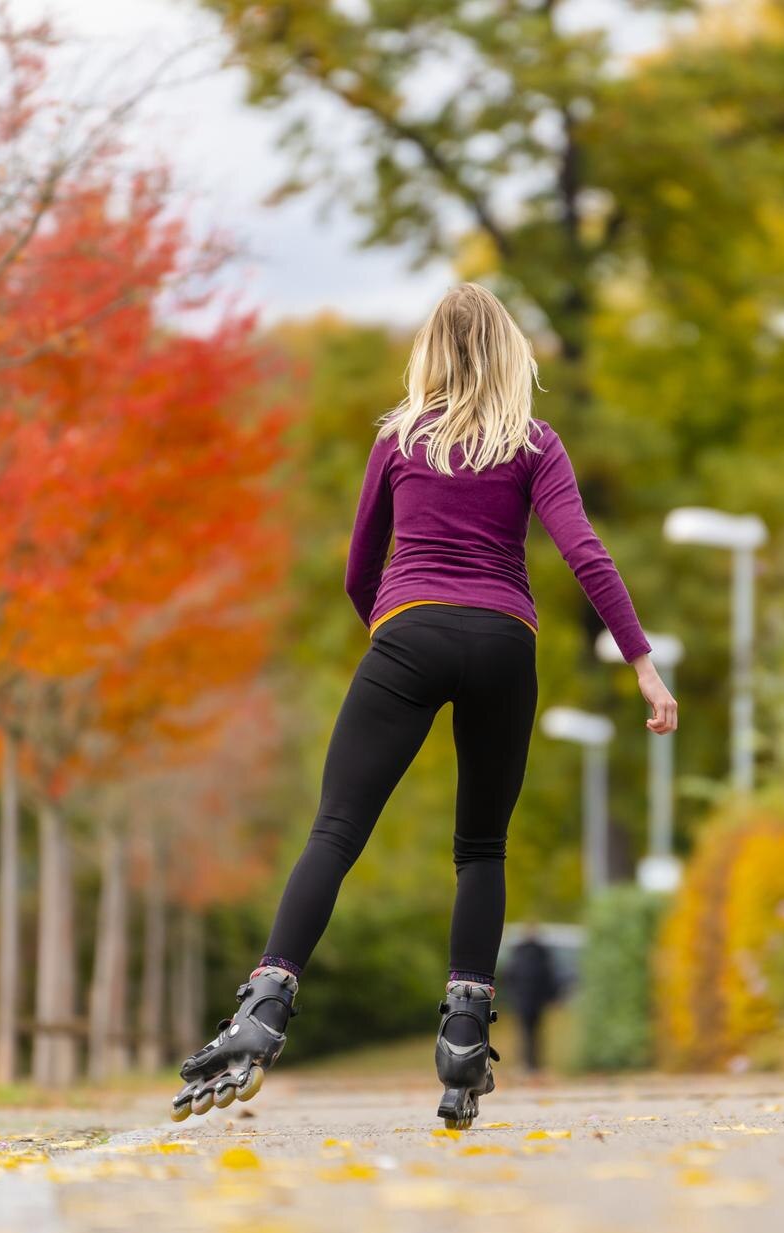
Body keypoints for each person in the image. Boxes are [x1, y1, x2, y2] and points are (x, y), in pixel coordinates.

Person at [172, 284, 676, 1128]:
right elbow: (584, 551)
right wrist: (643, 665)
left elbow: (356, 570)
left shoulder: (400, 441)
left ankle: (263, 1008)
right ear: (512, 353)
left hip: (409, 632)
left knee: (335, 830)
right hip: (506, 641)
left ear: (430, 353)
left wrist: (400, 634)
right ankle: (466, 1039)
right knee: (481, 847)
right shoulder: (534, 444)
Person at [500, 929, 562, 1075]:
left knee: (523, 1032)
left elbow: (507, 977)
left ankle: (525, 1063)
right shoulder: (543, 955)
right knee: (537, 1033)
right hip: (537, 1002)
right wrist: (552, 997)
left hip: (521, 1001)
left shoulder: (517, 954)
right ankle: (535, 1064)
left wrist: (510, 996)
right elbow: (550, 978)